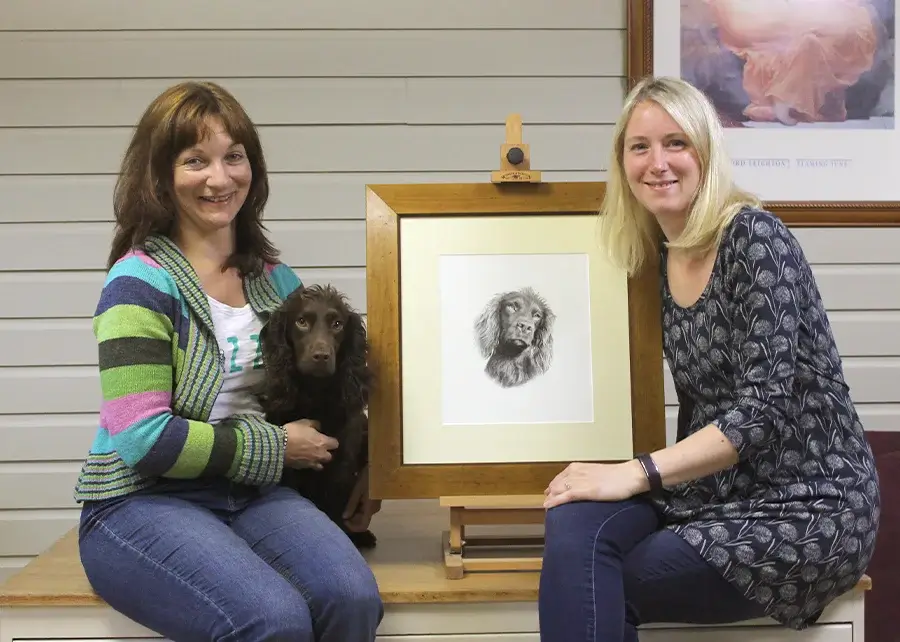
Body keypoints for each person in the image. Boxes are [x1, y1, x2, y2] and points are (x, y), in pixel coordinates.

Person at [537, 75, 881, 641]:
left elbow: (756, 415)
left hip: (811, 505)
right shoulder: (652, 258)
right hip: (715, 491)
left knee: (603, 582)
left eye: (677, 143)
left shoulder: (755, 238)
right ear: (622, 162)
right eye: (639, 146)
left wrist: (633, 473)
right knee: (573, 518)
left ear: (706, 152)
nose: (658, 162)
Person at [73, 80, 384, 641]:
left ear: (253, 168)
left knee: (353, 597)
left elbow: (330, 388)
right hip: (141, 503)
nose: (220, 178)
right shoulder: (138, 284)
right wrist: (276, 446)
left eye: (233, 157)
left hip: (256, 494)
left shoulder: (274, 280)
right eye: (196, 160)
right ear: (161, 176)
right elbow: (144, 440)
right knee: (272, 620)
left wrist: (370, 466)